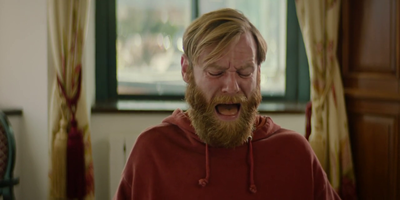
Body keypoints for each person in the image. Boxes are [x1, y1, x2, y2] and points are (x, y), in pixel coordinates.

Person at [114, 8, 340, 200]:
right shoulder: (151, 152)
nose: (232, 87)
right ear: (186, 70)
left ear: (258, 75)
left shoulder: (295, 153)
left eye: (244, 72)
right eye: (216, 71)